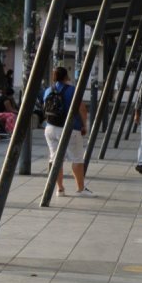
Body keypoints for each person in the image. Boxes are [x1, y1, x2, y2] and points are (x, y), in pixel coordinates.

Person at [43, 67, 95, 197]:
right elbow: (81, 109)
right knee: (77, 158)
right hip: (69, 129)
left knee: (55, 159)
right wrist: (84, 125)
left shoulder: (48, 90)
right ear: (66, 77)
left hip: (50, 128)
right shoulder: (72, 90)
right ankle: (80, 189)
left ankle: (59, 189)